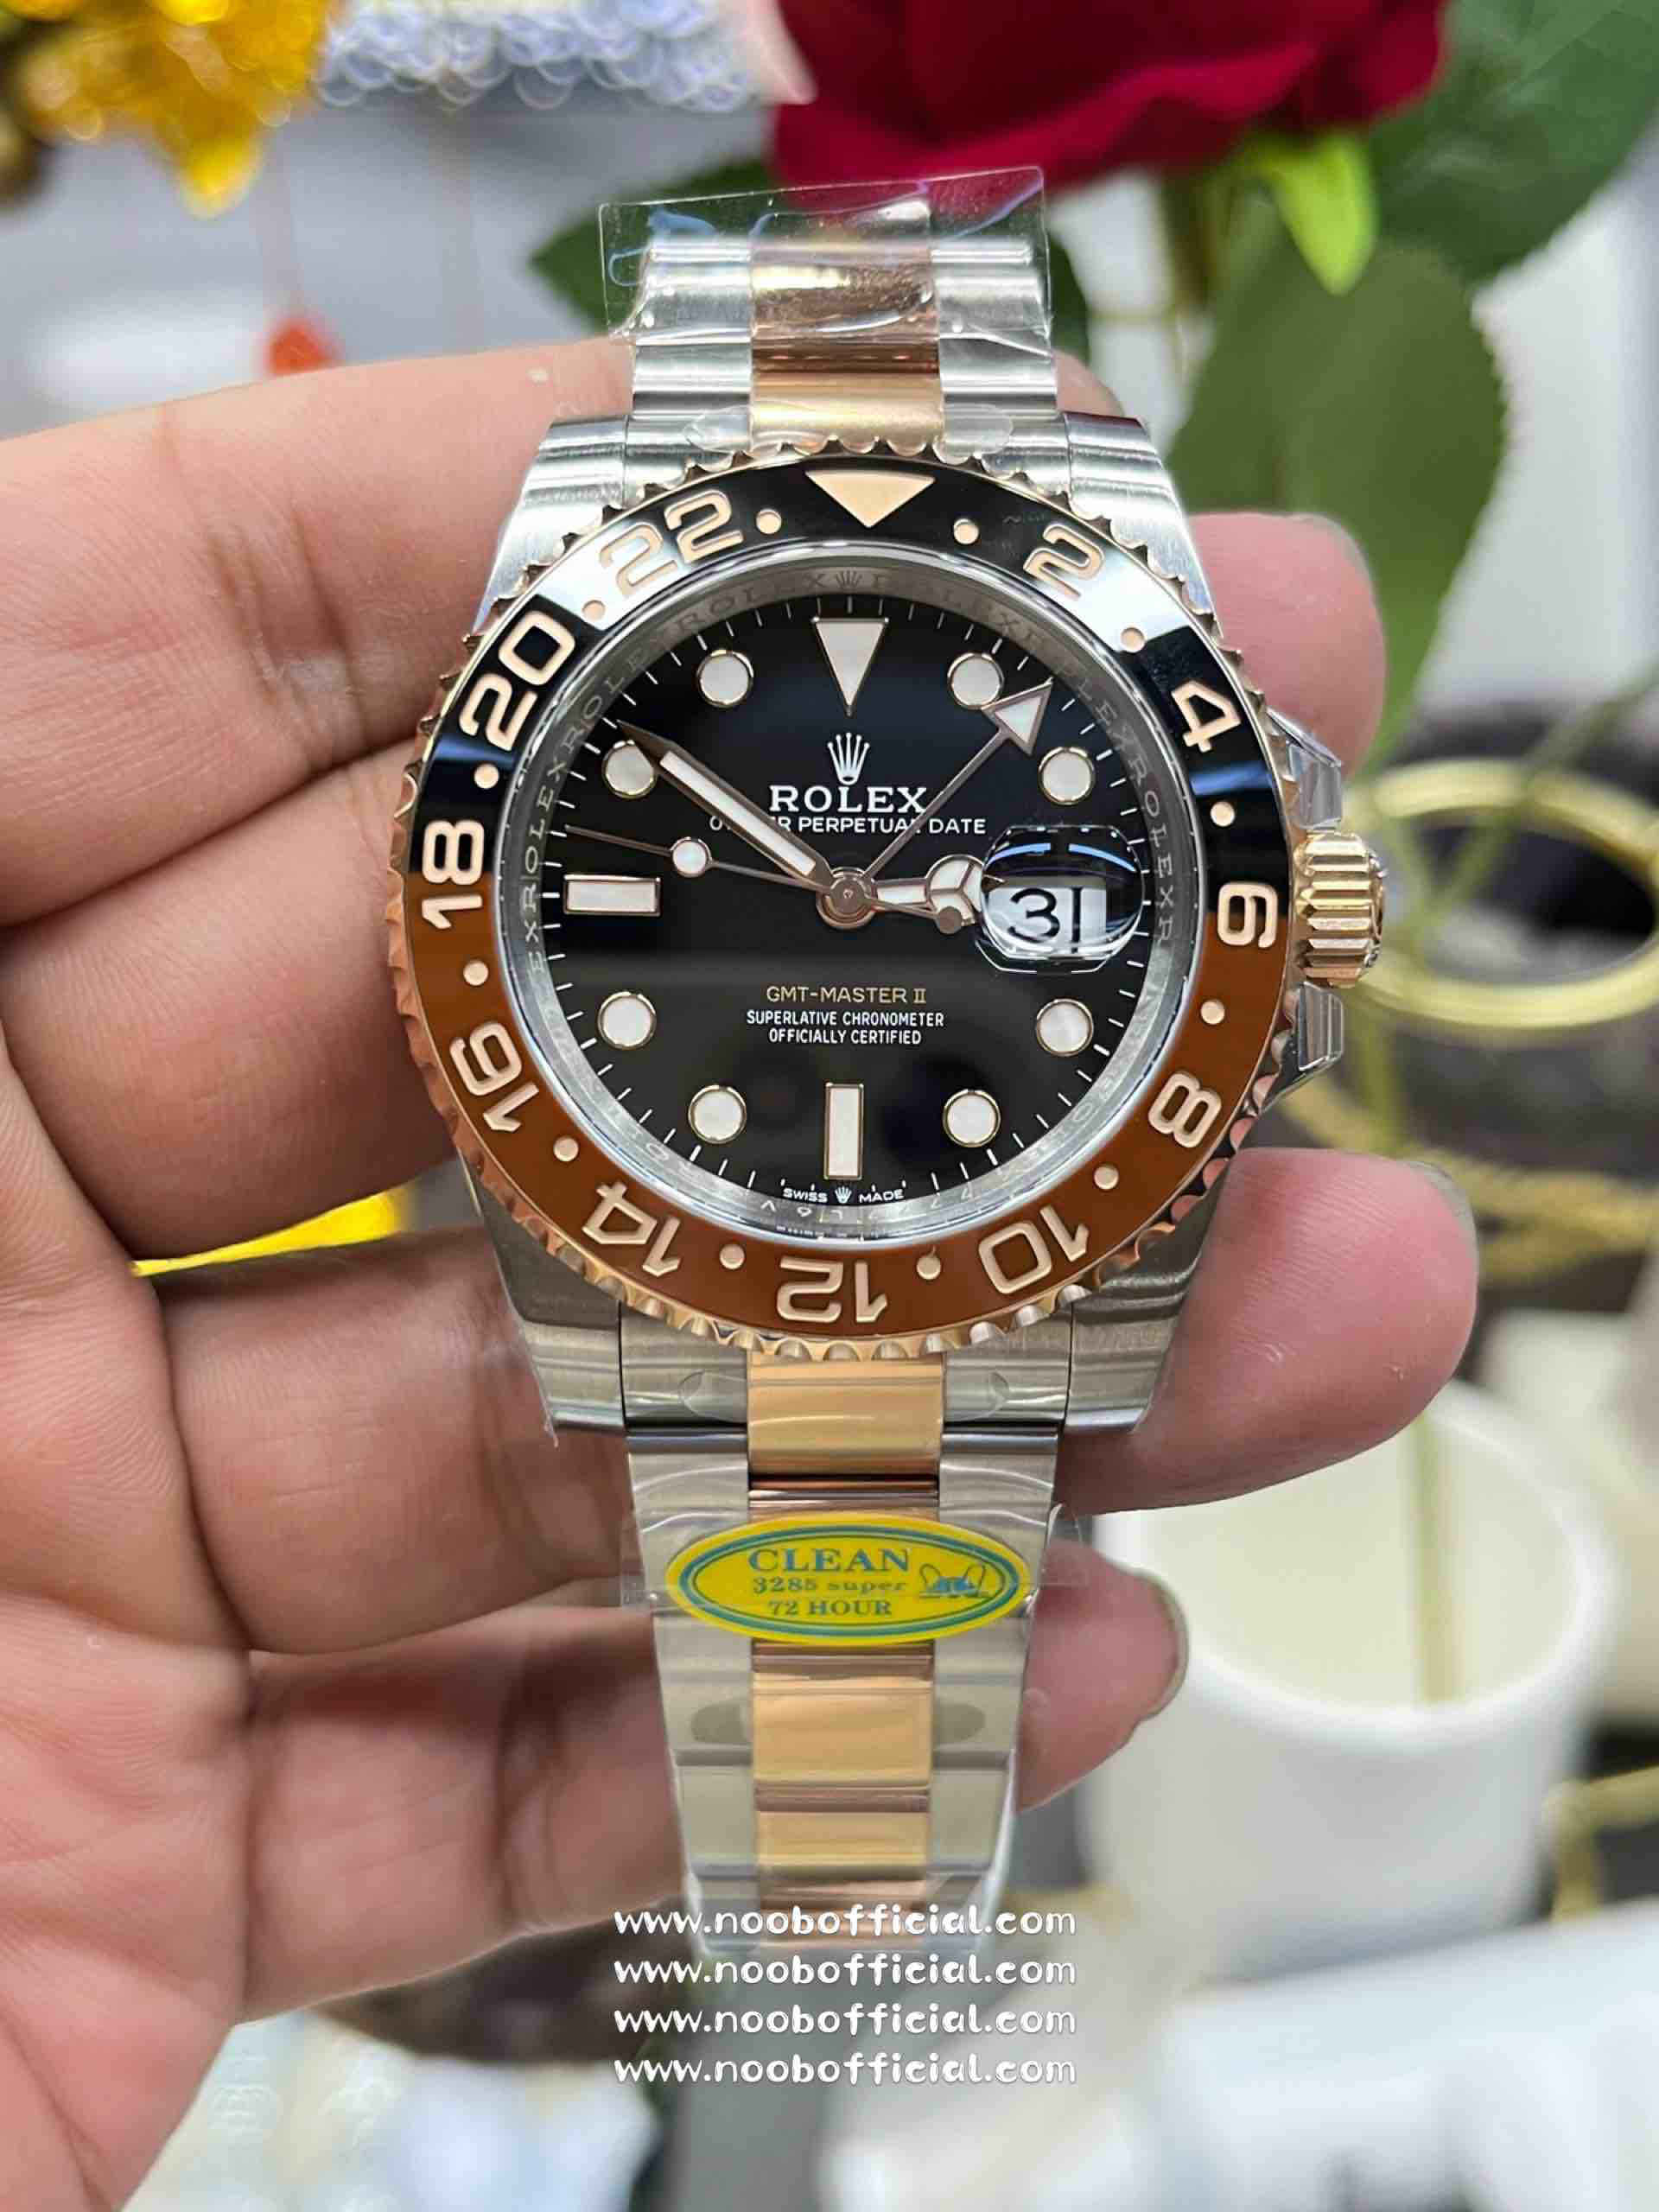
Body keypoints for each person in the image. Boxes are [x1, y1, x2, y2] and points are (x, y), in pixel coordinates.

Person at [0, 340, 1475, 2207]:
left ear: (1296, 918)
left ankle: (845, 1886)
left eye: (864, 898)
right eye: (819, 895)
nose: (844, 903)